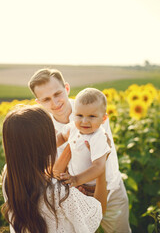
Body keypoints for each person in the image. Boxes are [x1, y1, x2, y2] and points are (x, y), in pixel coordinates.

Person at [28, 68, 131, 233]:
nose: (55, 103)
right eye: (46, 99)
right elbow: (52, 170)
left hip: (110, 190)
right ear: (39, 102)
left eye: (58, 94)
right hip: (76, 197)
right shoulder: (43, 127)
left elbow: (99, 161)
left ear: (67, 88)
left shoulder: (89, 108)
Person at [1, 105, 105, 233]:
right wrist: (101, 164)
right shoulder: (60, 192)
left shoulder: (9, 176)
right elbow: (98, 212)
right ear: (45, 142)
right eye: (52, 131)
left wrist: (68, 147)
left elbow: (43, 176)